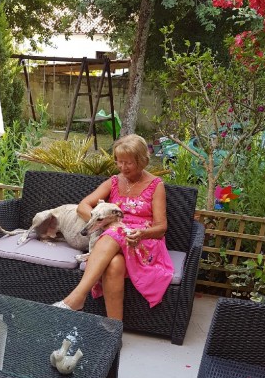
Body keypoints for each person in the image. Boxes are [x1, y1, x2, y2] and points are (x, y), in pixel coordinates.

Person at [53, 134, 174, 320]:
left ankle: (77, 298)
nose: (122, 167)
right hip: (113, 241)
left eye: (128, 163)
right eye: (119, 161)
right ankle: (113, 329)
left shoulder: (156, 185)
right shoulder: (115, 181)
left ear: (142, 161)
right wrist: (102, 221)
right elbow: (83, 206)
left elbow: (161, 227)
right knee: (115, 264)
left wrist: (141, 233)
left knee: (116, 230)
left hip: (142, 242)